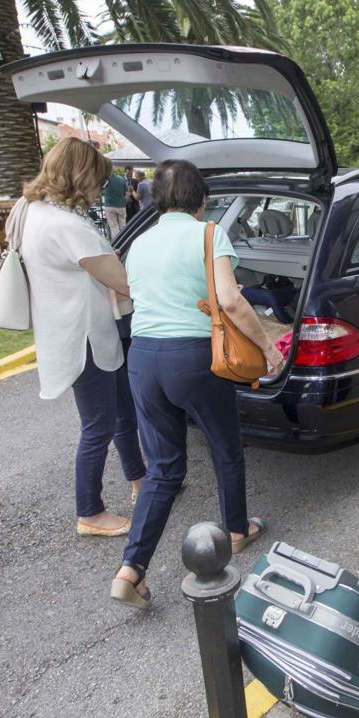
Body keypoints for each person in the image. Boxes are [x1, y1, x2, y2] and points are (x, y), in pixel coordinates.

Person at [110, 159, 285, 609]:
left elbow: (127, 295)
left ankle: (131, 569)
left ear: (156, 198)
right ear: (202, 199)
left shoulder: (140, 243)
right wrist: (268, 348)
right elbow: (230, 299)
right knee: (225, 445)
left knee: (164, 468)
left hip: (143, 358)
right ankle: (237, 528)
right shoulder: (209, 234)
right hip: (192, 357)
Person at [17, 137, 147, 538]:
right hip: (84, 338)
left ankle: (141, 480)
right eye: (97, 181)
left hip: (67, 331)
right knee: (99, 426)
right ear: (81, 177)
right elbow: (123, 283)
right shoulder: (67, 225)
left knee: (122, 409)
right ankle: (89, 511)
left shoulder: (29, 211)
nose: (99, 190)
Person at [102, 168, 128, 236]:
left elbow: (100, 189)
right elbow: (127, 193)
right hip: (121, 206)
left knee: (114, 227)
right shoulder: (121, 179)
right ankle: (125, 242)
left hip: (109, 206)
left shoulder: (105, 180)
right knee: (123, 226)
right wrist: (125, 202)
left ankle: (117, 244)